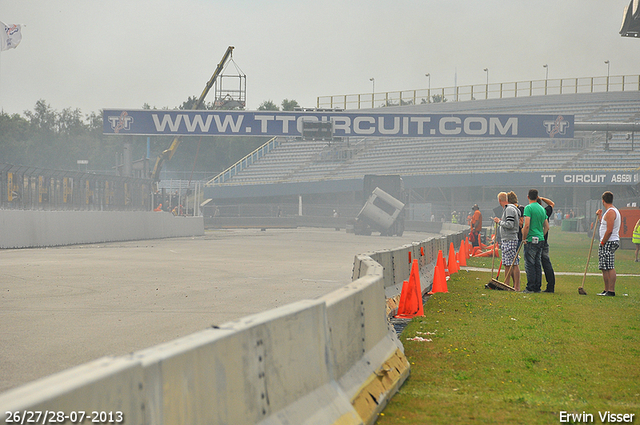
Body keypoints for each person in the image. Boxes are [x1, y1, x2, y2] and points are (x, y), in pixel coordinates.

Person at [522, 189, 549, 293]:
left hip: (531, 239)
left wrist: (524, 237)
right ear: (537, 197)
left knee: (530, 263)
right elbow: (546, 226)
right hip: (540, 239)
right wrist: (541, 235)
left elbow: (527, 224)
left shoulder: (528, 208)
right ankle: (537, 286)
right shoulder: (542, 209)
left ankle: (530, 287)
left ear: (528, 197)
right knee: (537, 263)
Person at [493, 192, 521, 291]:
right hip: (507, 239)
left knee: (513, 263)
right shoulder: (509, 209)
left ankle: (516, 286)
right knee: (507, 263)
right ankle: (507, 284)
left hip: (510, 238)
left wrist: (499, 222)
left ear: (500, 200)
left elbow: (510, 224)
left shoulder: (509, 209)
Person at [596, 191, 621, 296]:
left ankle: (611, 290)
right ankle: (606, 290)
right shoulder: (609, 212)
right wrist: (600, 216)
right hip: (606, 241)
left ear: (603, 201)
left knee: (609, 266)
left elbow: (609, 230)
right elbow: (605, 224)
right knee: (604, 266)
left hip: (609, 241)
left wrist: (603, 241)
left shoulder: (611, 212)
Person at [538, 196, 556, 293]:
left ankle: (536, 285)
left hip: (536, 240)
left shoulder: (534, 212)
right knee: (546, 264)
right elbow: (551, 204)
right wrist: (541, 198)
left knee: (536, 264)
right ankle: (551, 286)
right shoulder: (545, 211)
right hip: (544, 241)